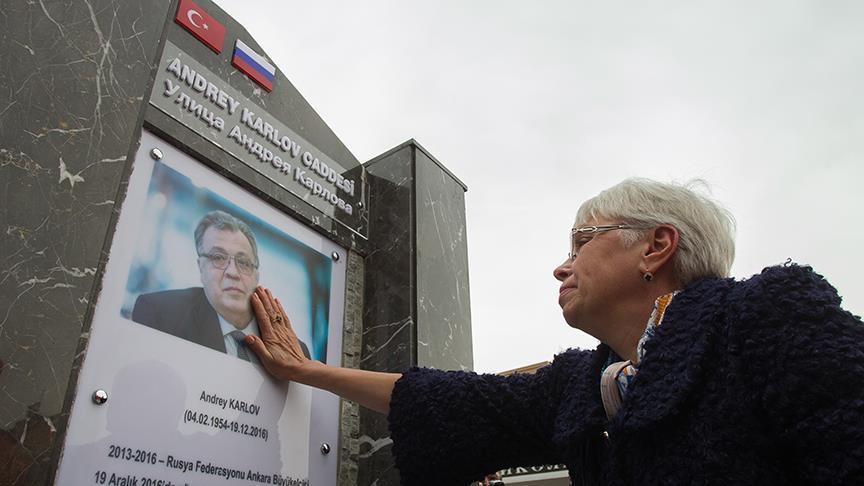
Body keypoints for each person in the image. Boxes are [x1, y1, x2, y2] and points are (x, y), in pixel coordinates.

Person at [243, 179, 864, 485]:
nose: (561, 267)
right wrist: (309, 372)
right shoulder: (588, 384)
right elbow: (452, 401)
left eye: (580, 242)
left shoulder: (766, 315)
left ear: (656, 246)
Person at [132, 210, 310, 362]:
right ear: (201, 267)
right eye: (218, 257)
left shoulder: (296, 352)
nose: (233, 272)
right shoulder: (159, 314)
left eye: (243, 262)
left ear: (257, 275)